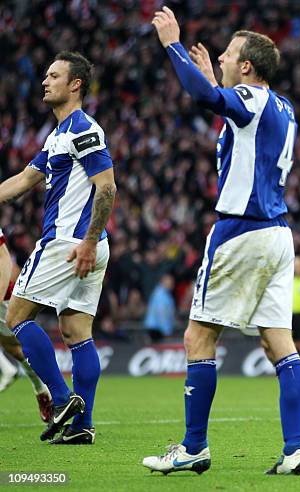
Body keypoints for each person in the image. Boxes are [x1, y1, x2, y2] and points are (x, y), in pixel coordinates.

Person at [144, 7, 300, 475]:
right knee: (280, 344)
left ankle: (194, 446)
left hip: (240, 231)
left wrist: (172, 45)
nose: (221, 56)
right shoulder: (282, 106)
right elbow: (220, 103)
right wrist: (212, 85)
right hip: (278, 235)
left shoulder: (248, 99)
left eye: (230, 53)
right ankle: (295, 449)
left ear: (247, 67)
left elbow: (206, 99)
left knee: (198, 335)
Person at [0, 51, 116, 445]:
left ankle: (64, 398)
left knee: (16, 315)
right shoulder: (56, 136)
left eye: (54, 76)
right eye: (45, 75)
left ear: (75, 84)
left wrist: (85, 241)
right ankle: (83, 426)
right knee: (75, 330)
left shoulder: (84, 129)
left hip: (69, 243)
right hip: (89, 245)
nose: (45, 81)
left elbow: (107, 186)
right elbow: (22, 181)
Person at [0, 228, 53, 422]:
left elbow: (4, 258)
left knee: (17, 346)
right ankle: (42, 388)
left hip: (3, 298)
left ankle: (49, 389)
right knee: (13, 348)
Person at [143, 274, 176, 343]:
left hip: (156, 328)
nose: (171, 284)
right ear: (163, 281)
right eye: (169, 282)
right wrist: (166, 331)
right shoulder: (160, 294)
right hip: (156, 329)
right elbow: (161, 313)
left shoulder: (165, 294)